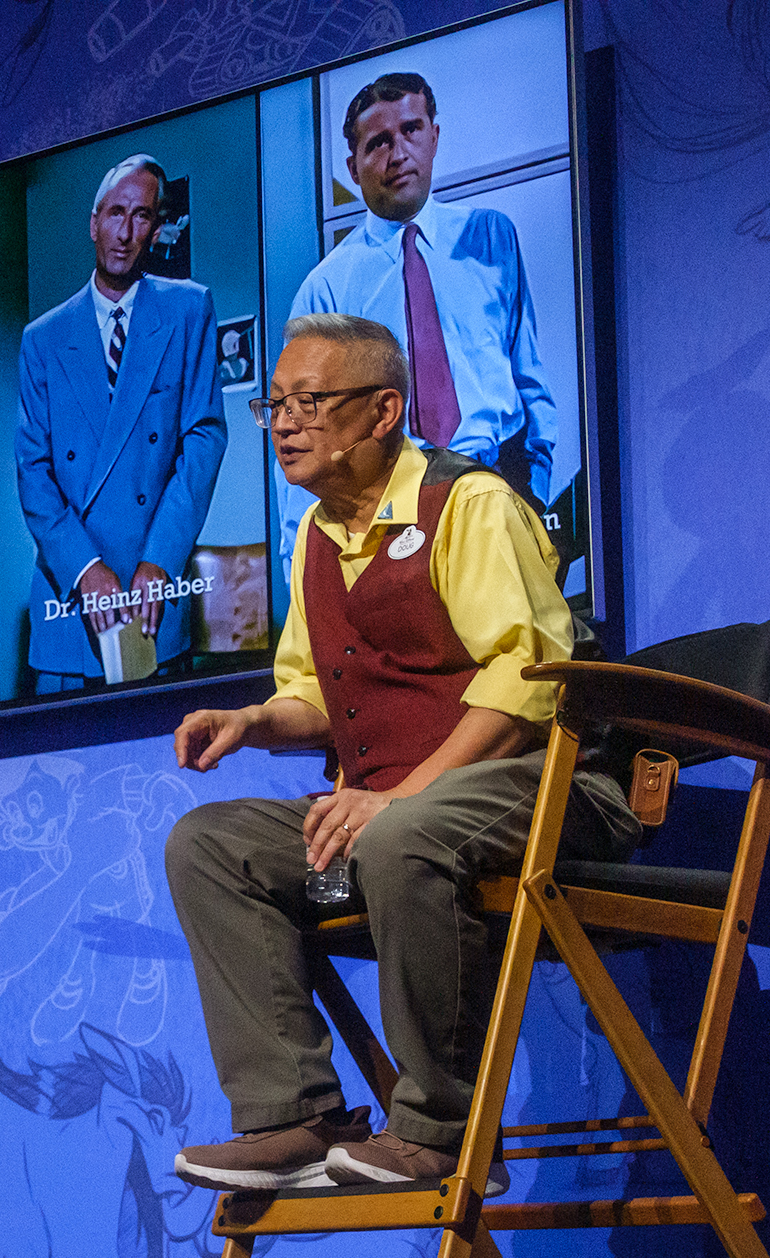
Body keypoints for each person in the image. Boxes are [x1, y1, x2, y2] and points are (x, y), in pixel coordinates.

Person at [166, 314, 638, 1192]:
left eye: (308, 402)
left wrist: (396, 798)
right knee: (211, 844)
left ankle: (443, 1131)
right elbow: (313, 692)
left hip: (549, 787)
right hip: (407, 810)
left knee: (397, 834)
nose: (283, 423)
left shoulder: (470, 505)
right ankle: (293, 1115)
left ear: (383, 411)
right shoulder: (315, 537)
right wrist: (253, 722)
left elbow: (531, 683)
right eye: (274, 405)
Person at [278, 72, 559, 562]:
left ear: (434, 135)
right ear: (354, 165)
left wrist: (537, 493)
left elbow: (527, 376)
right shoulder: (327, 289)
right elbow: (305, 444)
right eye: (379, 142)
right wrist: (302, 568)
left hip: (505, 487)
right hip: (396, 510)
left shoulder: (491, 237)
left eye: (411, 130)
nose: (398, 152)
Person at [15, 154, 227, 692]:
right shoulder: (42, 337)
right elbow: (32, 469)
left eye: (141, 217)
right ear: (94, 222)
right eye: (115, 214)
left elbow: (203, 438)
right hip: (68, 598)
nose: (125, 232)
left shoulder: (189, 309)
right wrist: (85, 568)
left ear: (156, 228)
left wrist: (160, 558)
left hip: (153, 596)